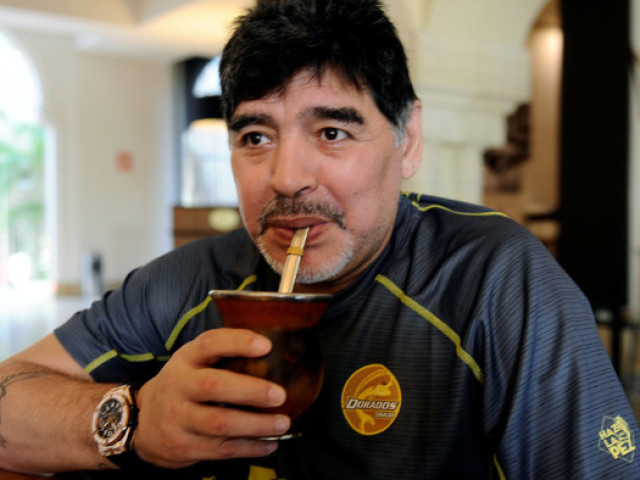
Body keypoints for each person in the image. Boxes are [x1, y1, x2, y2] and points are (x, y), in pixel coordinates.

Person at [0, 0, 638, 478]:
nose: (285, 177)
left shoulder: (493, 279)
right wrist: (132, 422)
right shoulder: (195, 280)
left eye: (332, 132)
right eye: (255, 136)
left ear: (407, 139)